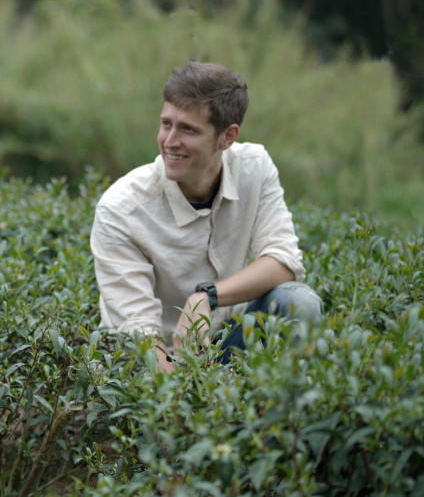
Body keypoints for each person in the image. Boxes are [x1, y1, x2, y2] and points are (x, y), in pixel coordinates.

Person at [90, 61, 322, 372]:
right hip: (151, 363)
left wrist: (207, 296)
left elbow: (283, 260)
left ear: (227, 137)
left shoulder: (255, 167)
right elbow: (137, 331)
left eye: (188, 129)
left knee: (298, 303)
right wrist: (182, 398)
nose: (170, 141)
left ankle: (275, 415)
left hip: (229, 343)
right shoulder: (121, 209)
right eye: (166, 124)